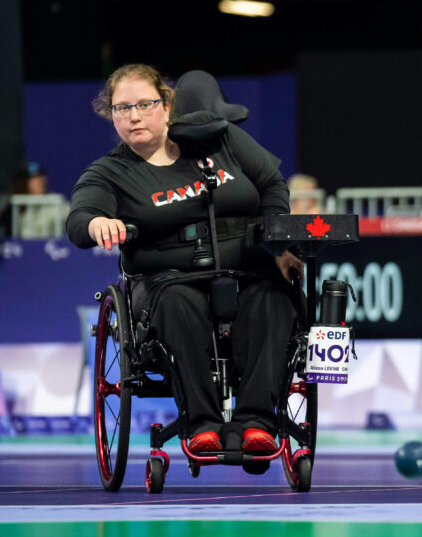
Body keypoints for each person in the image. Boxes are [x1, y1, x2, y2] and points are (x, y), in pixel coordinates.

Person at [66, 64, 304, 456]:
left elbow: (271, 185)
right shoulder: (109, 172)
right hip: (167, 283)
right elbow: (79, 219)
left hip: (247, 267)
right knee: (180, 304)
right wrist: (97, 223)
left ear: (166, 105)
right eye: (122, 108)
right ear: (111, 116)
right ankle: (202, 424)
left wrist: (277, 244)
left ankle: (258, 422)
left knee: (274, 298)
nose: (134, 116)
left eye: (144, 104)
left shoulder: (220, 140)